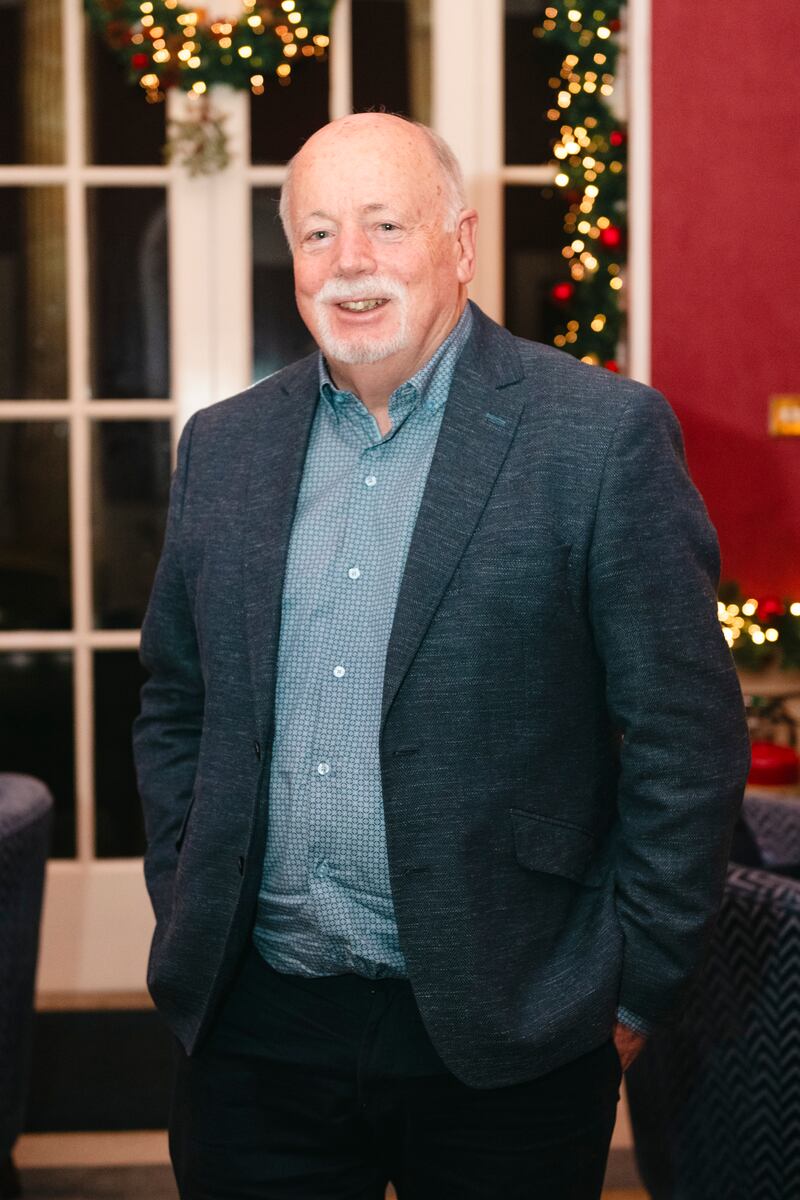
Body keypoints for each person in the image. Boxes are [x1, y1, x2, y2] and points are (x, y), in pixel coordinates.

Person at [133, 113, 750, 1199]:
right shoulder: (222, 448)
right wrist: (187, 888)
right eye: (317, 234)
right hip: (254, 1029)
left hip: (509, 1030)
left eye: (384, 225)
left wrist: (630, 987)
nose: (350, 263)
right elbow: (176, 703)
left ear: (459, 245)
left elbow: (683, 738)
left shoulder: (597, 437)